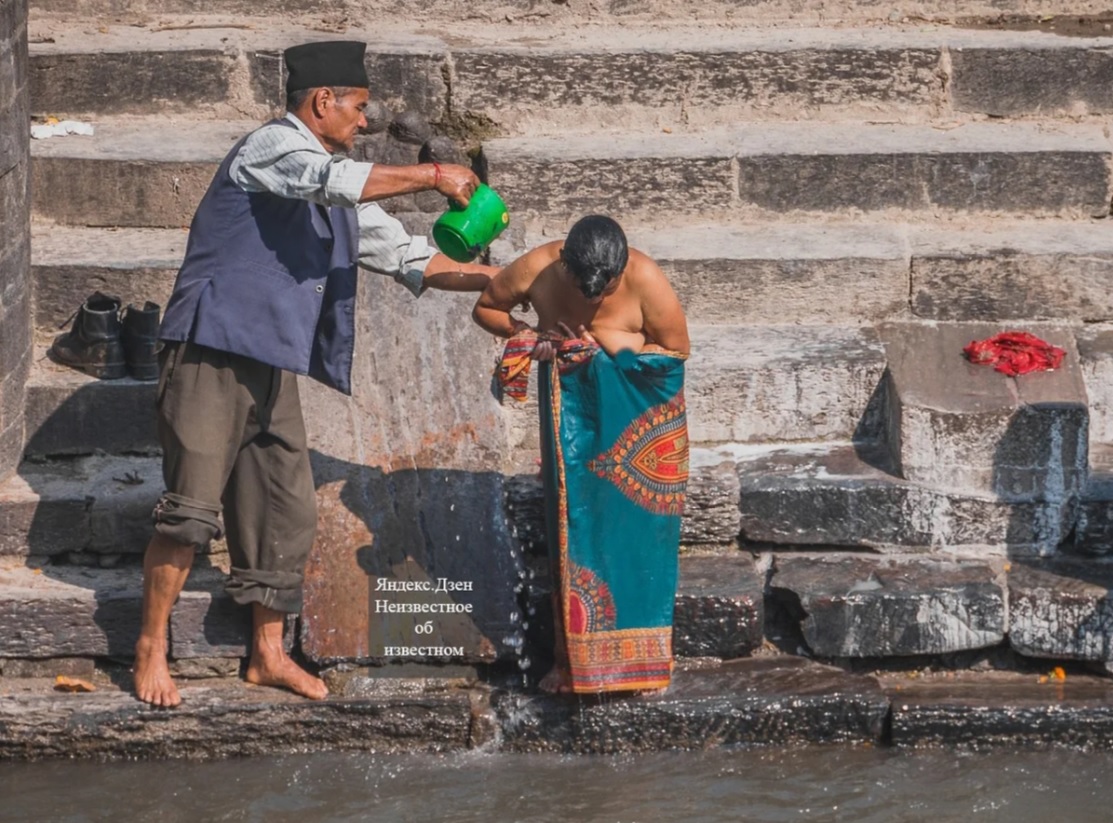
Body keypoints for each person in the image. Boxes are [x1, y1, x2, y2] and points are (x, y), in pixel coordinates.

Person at [134, 40, 498, 708]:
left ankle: (267, 654)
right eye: (358, 108)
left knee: (286, 510)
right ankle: (151, 646)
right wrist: (431, 176)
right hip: (210, 352)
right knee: (189, 515)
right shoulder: (271, 147)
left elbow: (409, 257)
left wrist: (499, 279)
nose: (364, 123)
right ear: (321, 102)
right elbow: (328, 182)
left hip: (271, 363)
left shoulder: (340, 186)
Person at [473, 215, 690, 694]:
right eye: (583, 289)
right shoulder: (537, 268)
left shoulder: (645, 277)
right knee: (570, 529)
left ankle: (647, 658)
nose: (595, 300)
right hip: (569, 424)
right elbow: (487, 307)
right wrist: (529, 335)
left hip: (632, 431)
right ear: (564, 264)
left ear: (620, 271)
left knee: (635, 538)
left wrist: (612, 349)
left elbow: (675, 354)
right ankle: (567, 664)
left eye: (605, 291)